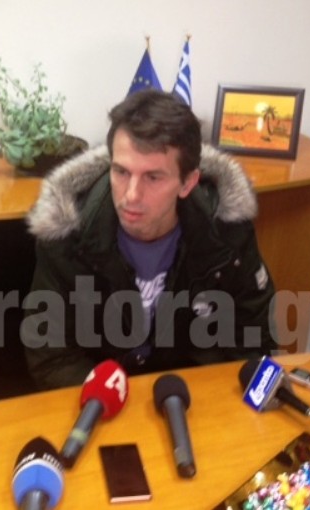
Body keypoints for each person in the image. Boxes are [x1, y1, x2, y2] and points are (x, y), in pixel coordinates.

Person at [22, 89, 277, 390]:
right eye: (121, 172)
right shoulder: (66, 234)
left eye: (153, 177)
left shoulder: (226, 231)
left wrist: (208, 398)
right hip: (101, 395)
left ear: (187, 183)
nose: (131, 195)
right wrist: (111, 397)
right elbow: (51, 356)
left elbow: (253, 338)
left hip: (189, 392)